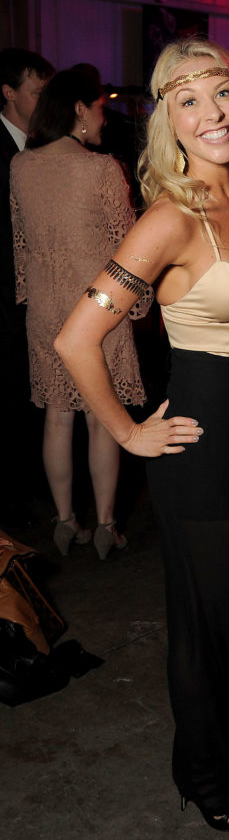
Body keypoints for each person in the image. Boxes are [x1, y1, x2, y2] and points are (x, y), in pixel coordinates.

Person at [56, 39, 229, 831]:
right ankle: (209, 777)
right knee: (213, 619)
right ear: (167, 120)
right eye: (187, 100)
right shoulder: (167, 220)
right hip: (198, 437)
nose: (211, 113)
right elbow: (74, 339)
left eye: (221, 91)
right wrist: (128, 432)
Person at [10, 67, 145, 558]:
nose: (104, 119)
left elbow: (22, 244)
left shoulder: (21, 166)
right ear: (79, 109)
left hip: (46, 308)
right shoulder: (101, 169)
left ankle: (65, 521)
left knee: (58, 416)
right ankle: (107, 525)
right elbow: (126, 247)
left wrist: (31, 293)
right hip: (98, 308)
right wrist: (139, 306)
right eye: (101, 108)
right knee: (102, 417)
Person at [0, 48, 54, 524]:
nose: (44, 102)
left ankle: (34, 488)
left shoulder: (44, 147)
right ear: (9, 93)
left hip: (38, 296)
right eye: (37, 93)